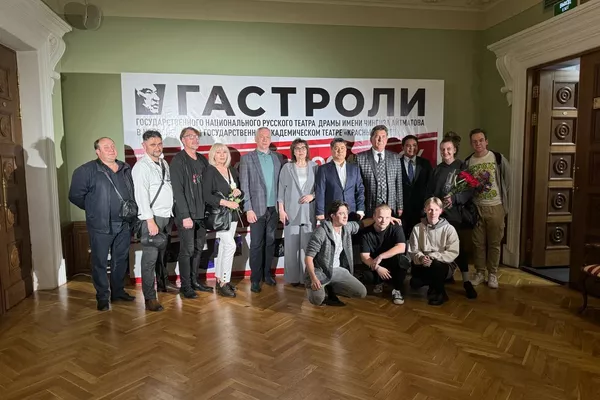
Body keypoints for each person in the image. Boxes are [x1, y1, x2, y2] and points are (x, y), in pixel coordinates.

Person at [69, 137, 136, 311]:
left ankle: (118, 292)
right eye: (106, 147)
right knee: (99, 262)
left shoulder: (125, 168)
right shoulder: (86, 171)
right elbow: (75, 196)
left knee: (120, 260)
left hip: (124, 224)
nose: (111, 149)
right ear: (97, 152)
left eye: (112, 146)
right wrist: (94, 209)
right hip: (101, 225)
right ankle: (102, 297)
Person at [427, 132, 477, 299]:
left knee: (458, 248)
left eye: (448, 149)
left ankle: (466, 281)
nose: (445, 152)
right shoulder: (437, 170)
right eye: (442, 149)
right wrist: (432, 208)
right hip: (439, 216)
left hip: (455, 216)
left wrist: (454, 198)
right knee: (437, 248)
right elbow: (430, 192)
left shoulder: (462, 167)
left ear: (454, 150)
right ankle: (440, 281)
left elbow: (469, 190)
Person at [131, 130, 174, 311]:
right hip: (152, 218)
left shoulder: (163, 162)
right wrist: (149, 220)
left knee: (162, 256)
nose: (157, 147)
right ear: (144, 146)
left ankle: (163, 284)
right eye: (152, 144)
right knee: (149, 259)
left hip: (166, 216)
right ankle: (150, 297)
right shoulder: (141, 167)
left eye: (159, 143)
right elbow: (141, 195)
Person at [239, 127, 285, 293]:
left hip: (274, 209)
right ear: (256, 139)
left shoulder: (278, 158)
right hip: (256, 210)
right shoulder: (247, 159)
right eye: (261, 137)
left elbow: (282, 184)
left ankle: (267, 274)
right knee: (257, 244)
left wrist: (281, 207)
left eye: (267, 137)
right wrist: (248, 208)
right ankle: (255, 279)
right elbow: (244, 186)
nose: (265, 140)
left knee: (270, 243)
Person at [170, 127, 214, 299]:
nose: (195, 139)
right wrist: (185, 215)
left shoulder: (202, 159)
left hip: (202, 214)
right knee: (187, 250)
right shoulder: (178, 161)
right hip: (187, 214)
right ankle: (185, 285)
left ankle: (195, 281)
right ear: (183, 140)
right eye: (190, 137)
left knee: (198, 249)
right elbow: (178, 191)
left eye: (196, 137)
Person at [465, 128, 511, 289]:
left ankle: (492, 274)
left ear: (486, 141)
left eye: (481, 140)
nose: (478, 143)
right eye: (474, 141)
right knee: (478, 243)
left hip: (495, 207)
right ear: (471, 143)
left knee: (494, 243)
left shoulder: (497, 158)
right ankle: (480, 272)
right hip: (477, 208)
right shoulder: (468, 162)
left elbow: (507, 180)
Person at [304, 201, 367, 306]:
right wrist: (313, 278)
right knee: (317, 300)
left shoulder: (346, 227)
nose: (345, 216)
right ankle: (316, 287)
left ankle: (330, 287)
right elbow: (308, 258)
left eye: (346, 213)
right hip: (320, 271)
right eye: (341, 213)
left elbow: (362, 224)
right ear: (332, 216)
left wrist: (380, 219)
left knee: (361, 292)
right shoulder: (321, 232)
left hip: (337, 270)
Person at [203, 143, 242, 298]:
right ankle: (225, 281)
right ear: (213, 155)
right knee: (230, 246)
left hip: (232, 215)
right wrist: (226, 203)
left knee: (225, 247)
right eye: (218, 152)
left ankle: (220, 279)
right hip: (219, 215)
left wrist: (237, 191)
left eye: (224, 152)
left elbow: (234, 189)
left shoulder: (231, 170)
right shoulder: (210, 171)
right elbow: (207, 196)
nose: (221, 155)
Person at [278, 138, 318, 286]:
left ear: (307, 150)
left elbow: (320, 188)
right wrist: (281, 210)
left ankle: (306, 277)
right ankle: (293, 278)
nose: (300, 151)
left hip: (308, 212)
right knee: (291, 248)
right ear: (293, 151)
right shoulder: (287, 168)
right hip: (290, 212)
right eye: (297, 148)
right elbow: (281, 190)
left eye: (303, 148)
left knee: (307, 248)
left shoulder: (314, 167)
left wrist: (312, 196)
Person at [408, 197, 460, 306]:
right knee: (415, 283)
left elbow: (453, 252)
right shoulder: (417, 228)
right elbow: (413, 249)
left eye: (436, 210)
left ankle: (441, 293)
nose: (433, 213)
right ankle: (433, 285)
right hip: (423, 262)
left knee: (436, 266)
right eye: (430, 209)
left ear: (441, 211)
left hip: (443, 264)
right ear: (425, 210)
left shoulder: (449, 229)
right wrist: (421, 258)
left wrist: (433, 256)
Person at [360, 204, 411, 305]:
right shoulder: (366, 232)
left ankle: (397, 290)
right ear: (374, 217)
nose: (384, 221)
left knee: (402, 261)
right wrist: (377, 267)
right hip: (375, 264)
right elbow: (364, 256)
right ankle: (379, 282)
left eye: (387, 217)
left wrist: (381, 256)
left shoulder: (396, 227)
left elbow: (401, 247)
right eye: (380, 217)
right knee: (366, 276)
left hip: (391, 262)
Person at [354, 125, 403, 218]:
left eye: (383, 136)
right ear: (371, 139)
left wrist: (400, 206)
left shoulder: (395, 157)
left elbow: (398, 184)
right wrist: (360, 208)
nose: (380, 140)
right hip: (369, 206)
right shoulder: (360, 158)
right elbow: (357, 186)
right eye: (377, 136)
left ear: (387, 139)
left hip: (390, 206)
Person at [315, 138, 365, 221]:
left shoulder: (354, 168)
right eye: (336, 148)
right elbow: (320, 191)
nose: (340, 151)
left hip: (351, 212)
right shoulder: (323, 169)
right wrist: (320, 212)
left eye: (342, 148)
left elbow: (360, 190)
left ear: (346, 150)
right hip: (332, 212)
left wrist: (360, 209)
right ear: (331, 150)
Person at [400, 134, 432, 238]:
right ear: (403, 147)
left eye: (414, 145)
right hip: (402, 210)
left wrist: (426, 208)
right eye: (408, 145)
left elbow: (430, 186)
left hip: (420, 210)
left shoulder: (425, 164)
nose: (411, 148)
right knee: (402, 238)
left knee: (420, 238)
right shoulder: (396, 163)